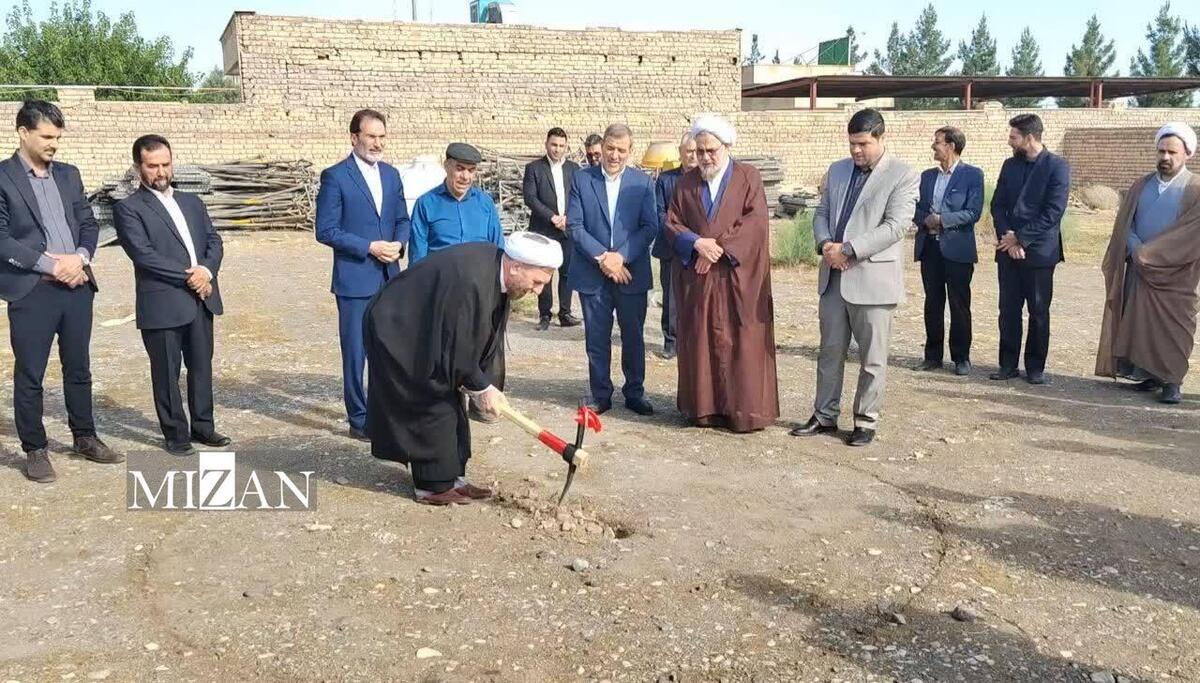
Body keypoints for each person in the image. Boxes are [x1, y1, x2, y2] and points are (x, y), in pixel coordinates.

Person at [364, 233, 560, 505]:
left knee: (452, 398)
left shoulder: (495, 272)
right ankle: (431, 487)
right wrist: (481, 387)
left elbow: (475, 340)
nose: (538, 291)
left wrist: (481, 383)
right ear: (516, 266)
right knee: (430, 396)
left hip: (426, 325)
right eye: (537, 282)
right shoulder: (472, 282)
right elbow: (455, 347)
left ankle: (453, 478)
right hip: (398, 326)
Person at [0, 100, 122, 483]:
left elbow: (88, 222)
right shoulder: (2, 177)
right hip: (32, 290)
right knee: (31, 374)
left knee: (79, 368)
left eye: (58, 137)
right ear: (23, 132)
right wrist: (53, 265)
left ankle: (84, 436)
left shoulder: (69, 175)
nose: (54, 144)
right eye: (47, 136)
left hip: (77, 287)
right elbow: (2, 239)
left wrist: (81, 258)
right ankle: (35, 449)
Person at [792, 108, 919, 447]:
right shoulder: (837, 170)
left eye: (863, 143)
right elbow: (821, 213)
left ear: (880, 137)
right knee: (829, 351)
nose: (856, 151)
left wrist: (849, 249)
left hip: (872, 280)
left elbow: (895, 227)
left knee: (872, 358)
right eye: (851, 143)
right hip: (834, 276)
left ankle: (865, 420)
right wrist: (825, 245)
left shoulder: (903, 175)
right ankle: (824, 415)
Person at [113, 135, 228, 455]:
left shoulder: (192, 202)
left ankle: (204, 427)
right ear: (138, 167)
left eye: (166, 164)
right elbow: (143, 254)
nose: (161, 172)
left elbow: (214, 241)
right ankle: (176, 434)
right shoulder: (129, 208)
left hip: (203, 297)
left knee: (202, 366)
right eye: (152, 166)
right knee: (166, 371)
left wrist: (206, 271)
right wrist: (191, 278)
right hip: (163, 301)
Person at [664, 115, 779, 432]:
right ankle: (704, 408)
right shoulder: (686, 183)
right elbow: (672, 223)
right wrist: (696, 243)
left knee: (740, 342)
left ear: (726, 147)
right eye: (699, 151)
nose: (704, 158)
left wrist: (717, 249)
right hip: (699, 282)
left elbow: (755, 224)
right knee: (701, 340)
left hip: (735, 279)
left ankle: (742, 411)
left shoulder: (747, 177)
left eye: (711, 150)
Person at [315, 109, 409, 442]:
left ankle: (385, 410)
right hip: (355, 279)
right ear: (354, 137)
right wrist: (368, 246)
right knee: (356, 352)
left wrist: (399, 242)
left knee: (388, 350)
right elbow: (326, 230)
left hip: (389, 277)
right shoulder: (336, 177)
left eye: (382, 137)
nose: (377, 143)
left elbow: (402, 218)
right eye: (371, 136)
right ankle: (359, 417)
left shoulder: (392, 175)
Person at [1096, 123, 1200, 406]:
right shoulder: (1141, 185)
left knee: (1175, 330)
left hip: (1177, 275)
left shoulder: (1195, 188)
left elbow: (1192, 235)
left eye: (1172, 152)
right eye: (1161, 151)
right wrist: (1136, 249)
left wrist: (1150, 254)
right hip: (1140, 271)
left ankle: (1172, 380)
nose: (1165, 157)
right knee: (1140, 323)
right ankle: (1150, 373)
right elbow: (1124, 224)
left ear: (1187, 154)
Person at [566, 123, 658, 415]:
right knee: (596, 337)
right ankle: (601, 394)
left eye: (621, 150)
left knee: (633, 336)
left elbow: (649, 227)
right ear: (601, 148)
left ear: (630, 152)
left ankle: (634, 392)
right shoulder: (582, 180)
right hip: (592, 273)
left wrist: (621, 258)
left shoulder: (642, 183)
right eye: (610, 148)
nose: (614, 155)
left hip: (631, 273)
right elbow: (575, 226)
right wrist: (603, 258)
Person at [989, 113, 1070, 385]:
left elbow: (1053, 211)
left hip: (1039, 252)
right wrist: (1007, 239)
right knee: (1008, 310)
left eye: (1013, 137)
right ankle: (1007, 365)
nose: (1009, 141)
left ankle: (1035, 368)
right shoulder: (1009, 165)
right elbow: (997, 205)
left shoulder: (1057, 167)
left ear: (1029, 137)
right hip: (1008, 250)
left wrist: (1021, 239)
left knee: (1038, 311)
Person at [913, 126, 984, 376]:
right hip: (930, 248)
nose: (934, 146)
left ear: (951, 146)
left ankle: (961, 357)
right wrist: (926, 220)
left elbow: (973, 213)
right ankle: (932, 356)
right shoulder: (927, 176)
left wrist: (941, 219)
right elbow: (916, 208)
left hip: (957, 250)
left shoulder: (972, 175)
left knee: (959, 305)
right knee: (932, 304)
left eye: (938, 142)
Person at [522, 127, 581, 330]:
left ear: (566, 147)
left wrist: (568, 218)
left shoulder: (574, 169)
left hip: (567, 228)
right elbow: (530, 198)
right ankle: (544, 315)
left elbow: (579, 197)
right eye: (554, 145)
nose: (557, 149)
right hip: (544, 228)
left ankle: (565, 313)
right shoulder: (534, 168)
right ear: (546, 144)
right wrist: (552, 217)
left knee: (567, 272)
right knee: (545, 272)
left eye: (561, 146)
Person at [408, 142, 504, 264]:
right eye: (460, 169)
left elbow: (498, 249)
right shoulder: (426, 204)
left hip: (478, 278)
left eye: (471, 170)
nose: (465, 176)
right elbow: (417, 256)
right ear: (446, 166)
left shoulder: (485, 204)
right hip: (441, 279)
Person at [652, 131, 697, 359]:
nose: (692, 156)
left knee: (697, 297)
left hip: (698, 251)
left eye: (695, 151)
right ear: (680, 153)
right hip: (671, 248)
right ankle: (671, 342)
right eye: (688, 151)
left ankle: (693, 341)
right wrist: (678, 234)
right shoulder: (666, 179)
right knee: (671, 298)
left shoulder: (704, 180)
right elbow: (659, 212)